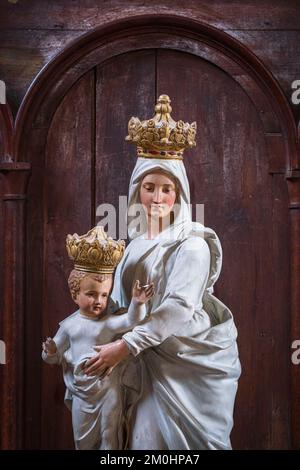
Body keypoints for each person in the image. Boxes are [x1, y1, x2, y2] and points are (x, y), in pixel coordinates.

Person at [84, 95, 241, 450]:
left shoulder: (193, 244)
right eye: (149, 187)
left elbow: (177, 309)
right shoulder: (134, 244)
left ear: (180, 193)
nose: (157, 198)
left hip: (183, 366)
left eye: (166, 189)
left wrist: (123, 347)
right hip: (141, 361)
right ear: (136, 189)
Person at [42, 225, 154, 450]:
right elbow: (52, 358)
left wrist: (137, 303)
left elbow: (130, 321)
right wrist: (51, 351)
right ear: (75, 294)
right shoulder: (70, 326)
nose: (99, 301)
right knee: (82, 441)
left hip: (108, 389)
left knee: (109, 436)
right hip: (82, 394)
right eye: (91, 294)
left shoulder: (107, 322)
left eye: (104, 295)